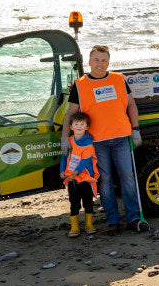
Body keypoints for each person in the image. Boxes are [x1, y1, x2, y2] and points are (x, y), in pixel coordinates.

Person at [62, 45, 147, 235]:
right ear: (89, 62)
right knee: (105, 180)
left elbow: (131, 105)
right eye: (96, 60)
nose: (100, 64)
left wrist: (135, 129)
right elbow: (71, 112)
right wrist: (64, 138)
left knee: (127, 178)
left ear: (108, 62)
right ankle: (113, 221)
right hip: (97, 142)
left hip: (121, 138)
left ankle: (134, 218)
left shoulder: (118, 80)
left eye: (103, 60)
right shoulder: (80, 84)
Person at [59, 111, 99, 237]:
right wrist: (62, 171)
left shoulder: (89, 144)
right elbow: (64, 157)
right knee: (74, 203)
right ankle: (74, 227)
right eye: (76, 124)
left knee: (88, 202)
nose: (79, 126)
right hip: (71, 179)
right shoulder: (69, 141)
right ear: (71, 127)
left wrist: (74, 173)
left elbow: (83, 162)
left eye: (82, 124)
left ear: (87, 127)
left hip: (84, 178)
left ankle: (89, 225)